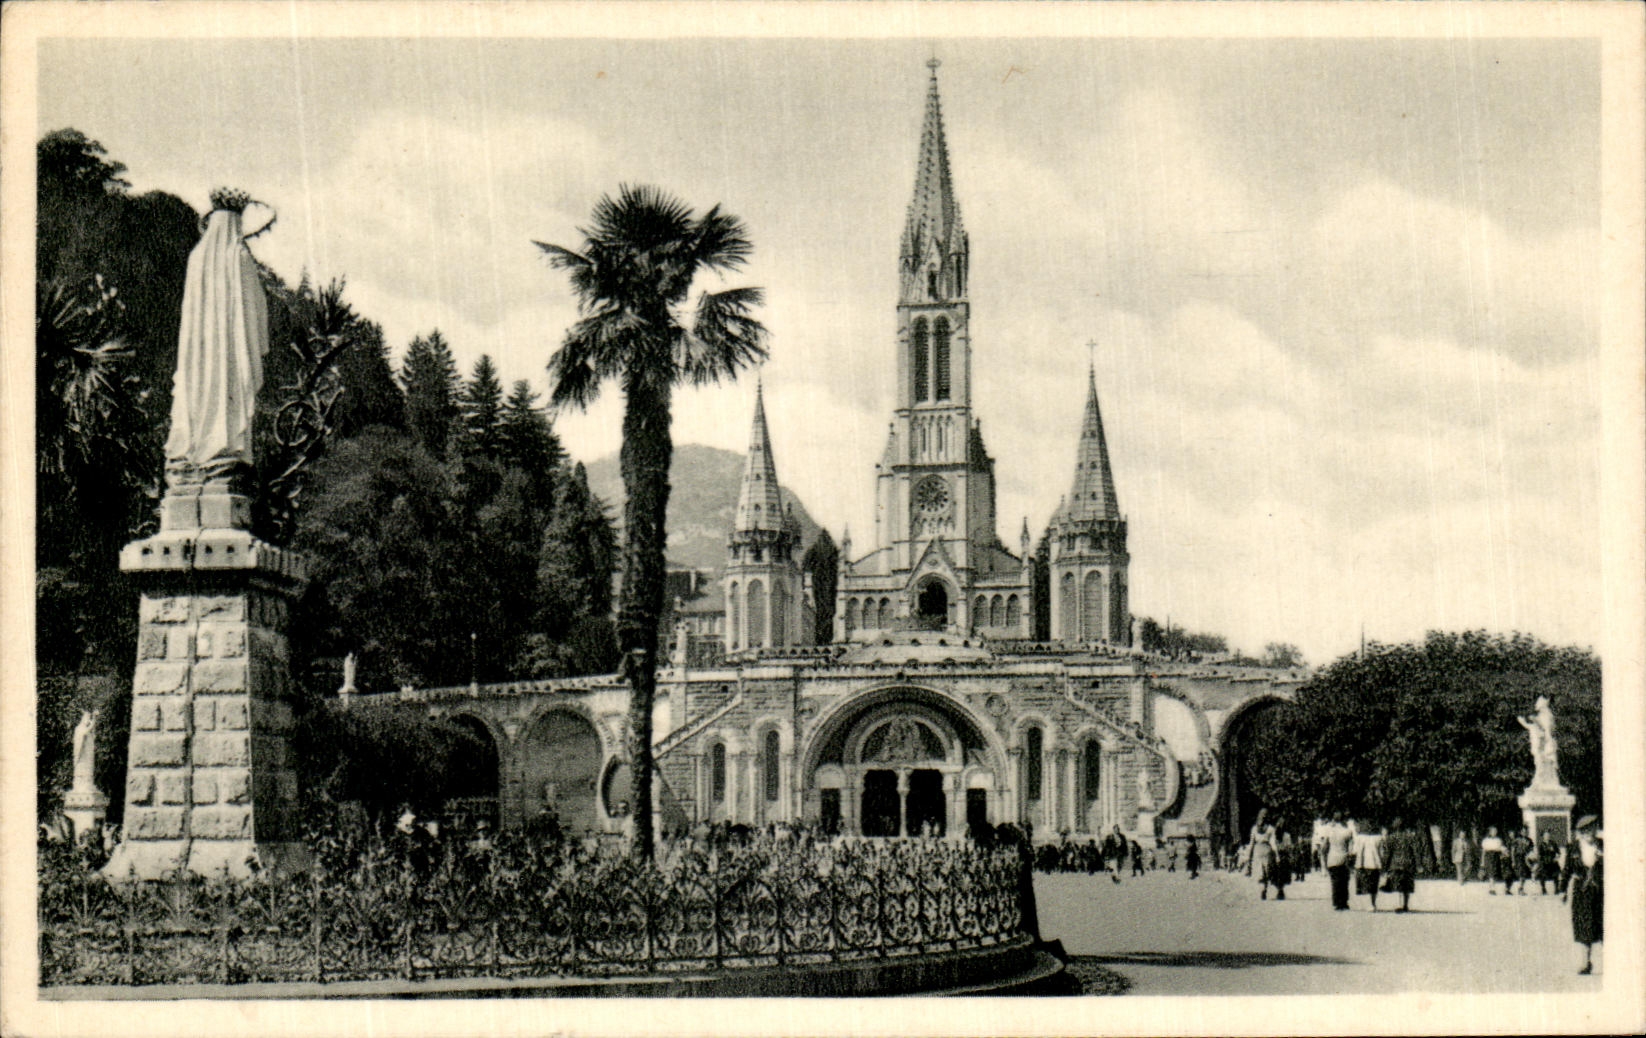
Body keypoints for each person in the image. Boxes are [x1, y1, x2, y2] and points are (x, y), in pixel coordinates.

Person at [1566, 815, 1602, 975]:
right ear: (1581, 832)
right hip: (1582, 891)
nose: (1590, 833)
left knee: (1604, 925)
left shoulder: (1603, 845)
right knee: (1584, 925)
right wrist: (1562, 890)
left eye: (1592, 829)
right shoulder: (1574, 847)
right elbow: (1567, 869)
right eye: (1586, 831)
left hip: (1601, 890)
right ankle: (1585, 962)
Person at [1383, 817, 1419, 912]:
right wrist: (1417, 864)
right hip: (1408, 863)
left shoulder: (1391, 837)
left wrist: (1385, 865)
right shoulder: (1410, 837)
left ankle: (1399, 904)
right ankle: (1405, 905)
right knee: (1407, 884)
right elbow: (1415, 851)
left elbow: (1387, 853)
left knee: (1397, 883)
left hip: (1395, 863)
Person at [1353, 819, 1387, 911]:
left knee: (1365, 883)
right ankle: (1373, 903)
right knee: (1374, 884)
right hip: (1375, 863)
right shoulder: (1379, 838)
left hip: (1362, 863)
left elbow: (1355, 851)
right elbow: (1382, 853)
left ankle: (1368, 904)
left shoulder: (1359, 838)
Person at [1324, 814, 1354, 910]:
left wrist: (1324, 857)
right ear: (1344, 820)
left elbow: (1325, 846)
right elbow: (1351, 849)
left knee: (1335, 881)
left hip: (1332, 858)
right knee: (1344, 881)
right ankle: (1344, 902)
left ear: (1334, 820)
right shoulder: (1348, 832)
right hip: (1343, 858)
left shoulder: (1329, 831)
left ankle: (1336, 902)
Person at [1479, 826, 1505, 894]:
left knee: (1494, 872)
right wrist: (1482, 862)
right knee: (1491, 872)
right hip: (1488, 856)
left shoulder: (1498, 840)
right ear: (1490, 832)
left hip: (1496, 856)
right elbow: (1484, 851)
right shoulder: (1486, 840)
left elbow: (1501, 849)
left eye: (1495, 831)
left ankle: (1492, 888)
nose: (1494, 832)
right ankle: (1492, 888)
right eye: (1493, 831)